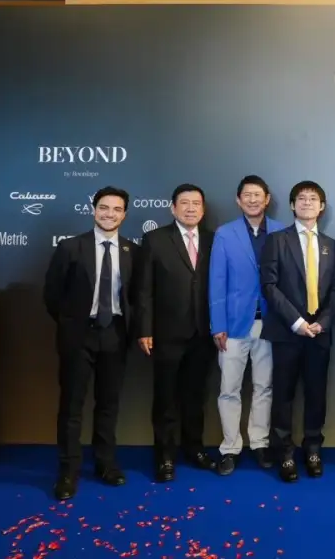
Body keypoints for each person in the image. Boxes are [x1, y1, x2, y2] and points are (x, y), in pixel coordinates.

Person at [43, 186, 138, 500]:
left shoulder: (132, 251)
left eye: (117, 209)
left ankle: (105, 464)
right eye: (104, 208)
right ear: (94, 210)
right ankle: (68, 471)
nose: (110, 214)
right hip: (79, 336)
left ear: (124, 214)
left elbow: (136, 297)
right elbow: (52, 295)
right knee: (71, 406)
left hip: (116, 334)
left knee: (108, 404)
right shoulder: (71, 247)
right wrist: (72, 324)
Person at [260, 181, 335, 483]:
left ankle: (313, 448)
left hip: (320, 332)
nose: (307, 202)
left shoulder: (331, 245)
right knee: (283, 395)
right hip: (287, 331)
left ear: (322, 207)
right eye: (302, 198)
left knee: (316, 393)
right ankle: (284, 452)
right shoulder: (276, 240)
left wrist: (324, 321)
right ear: (292, 205)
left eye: (313, 198)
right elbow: (269, 285)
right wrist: (296, 321)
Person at [135, 184, 216, 482]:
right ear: (173, 208)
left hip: (203, 333)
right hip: (166, 333)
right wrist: (144, 328)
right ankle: (165, 457)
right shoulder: (155, 239)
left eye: (196, 203)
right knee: (166, 399)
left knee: (195, 397)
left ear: (203, 209)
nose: (191, 208)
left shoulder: (214, 240)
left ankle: (194, 448)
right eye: (184, 203)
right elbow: (143, 289)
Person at [209, 175, 281, 474]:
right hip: (234, 325)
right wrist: (218, 324)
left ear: (267, 199)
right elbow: (217, 281)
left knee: (265, 387)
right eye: (247, 195)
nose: (252, 200)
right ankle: (230, 447)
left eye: (257, 195)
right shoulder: (225, 234)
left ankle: (260, 443)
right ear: (238, 200)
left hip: (271, 323)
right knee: (229, 388)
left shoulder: (281, 230)